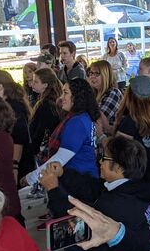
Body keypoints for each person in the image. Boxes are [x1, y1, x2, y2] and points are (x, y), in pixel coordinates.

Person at [25, 78, 102, 208]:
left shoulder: (77, 122)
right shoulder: (83, 117)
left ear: (77, 97)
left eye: (65, 93)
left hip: (78, 180)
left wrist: (30, 178)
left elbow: (60, 158)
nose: (61, 97)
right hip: (83, 178)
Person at [113, 74, 150, 224]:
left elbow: (116, 148)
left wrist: (100, 137)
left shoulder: (130, 122)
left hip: (136, 177)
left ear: (129, 96)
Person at [0, 69, 34, 183]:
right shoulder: (2, 105)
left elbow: (20, 137)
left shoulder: (14, 107)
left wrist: (14, 166)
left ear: (1, 87)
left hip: (18, 163)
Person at [28, 68, 63, 165]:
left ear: (45, 85)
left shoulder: (46, 105)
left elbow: (41, 131)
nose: (32, 84)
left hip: (45, 151)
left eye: (36, 82)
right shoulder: (50, 100)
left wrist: (31, 151)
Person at [87, 59, 123, 137]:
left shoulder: (113, 93)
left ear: (105, 75)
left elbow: (98, 121)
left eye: (96, 73)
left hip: (108, 140)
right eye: (91, 73)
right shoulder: (95, 93)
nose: (92, 76)